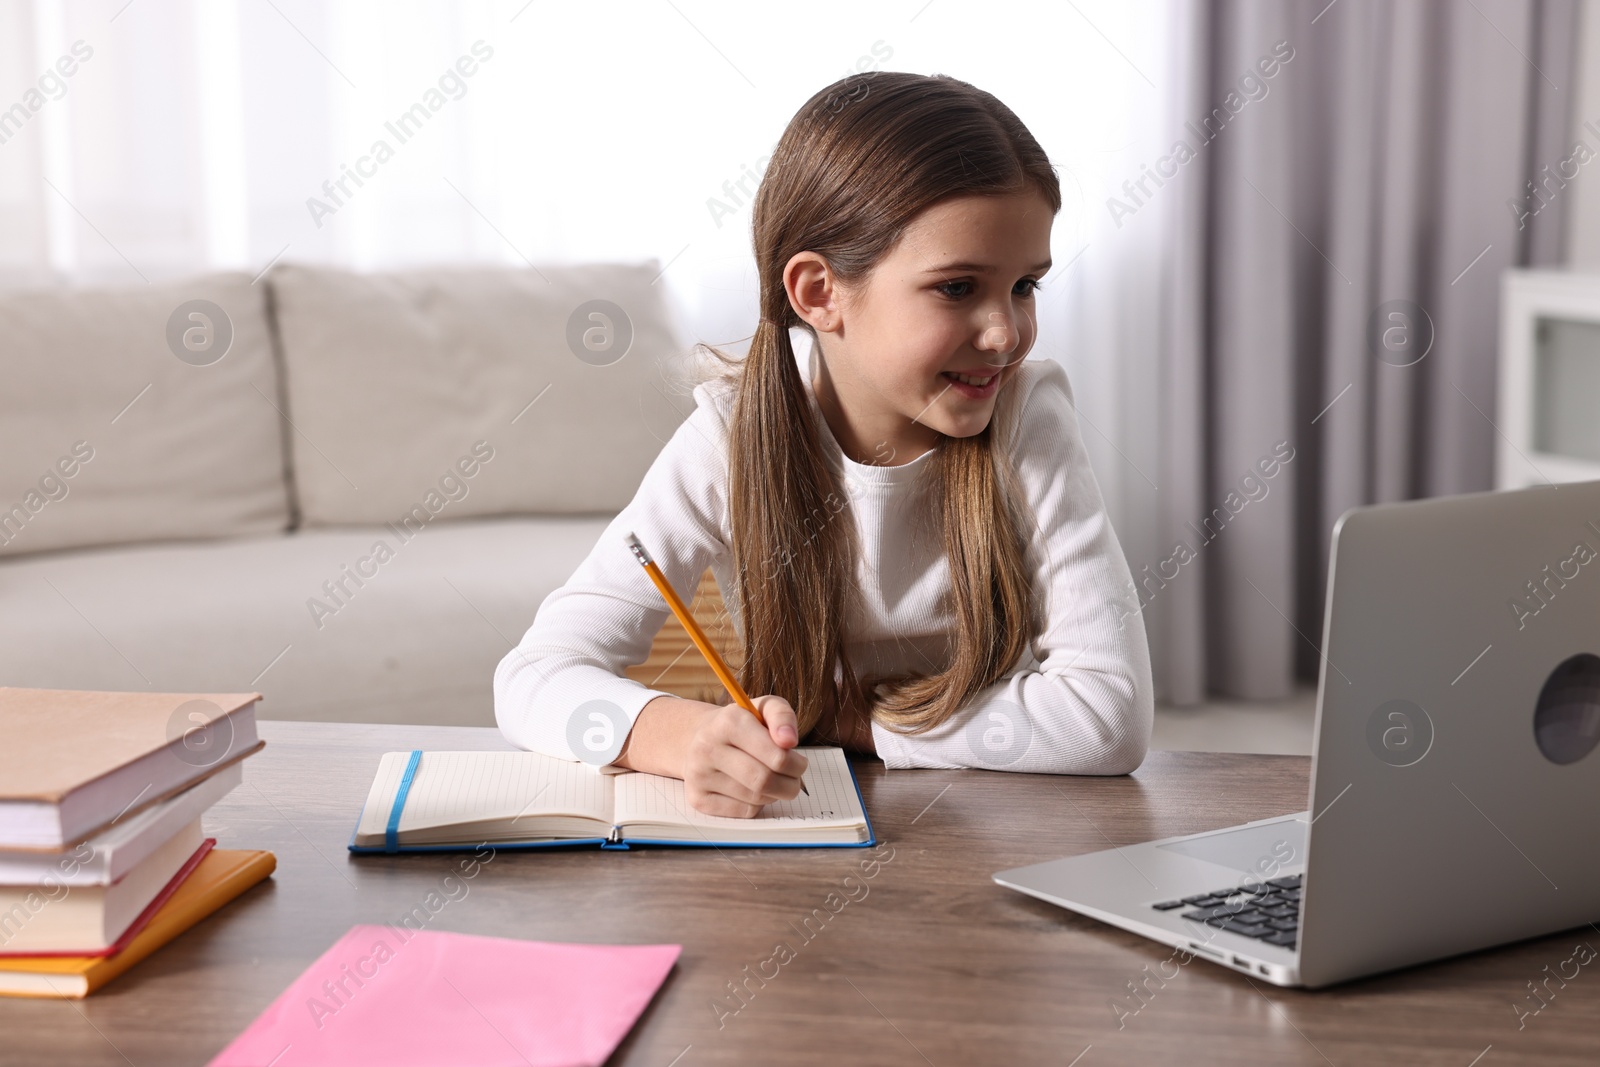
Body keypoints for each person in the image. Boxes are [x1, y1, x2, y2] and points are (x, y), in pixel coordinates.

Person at [495, 71, 1153, 817]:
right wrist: (678, 736)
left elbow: (1109, 718)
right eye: (959, 287)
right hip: (806, 829)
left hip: (987, 827)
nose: (1006, 333)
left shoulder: (1029, 415)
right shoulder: (728, 436)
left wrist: (856, 723)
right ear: (817, 292)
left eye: (1026, 285)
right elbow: (533, 676)